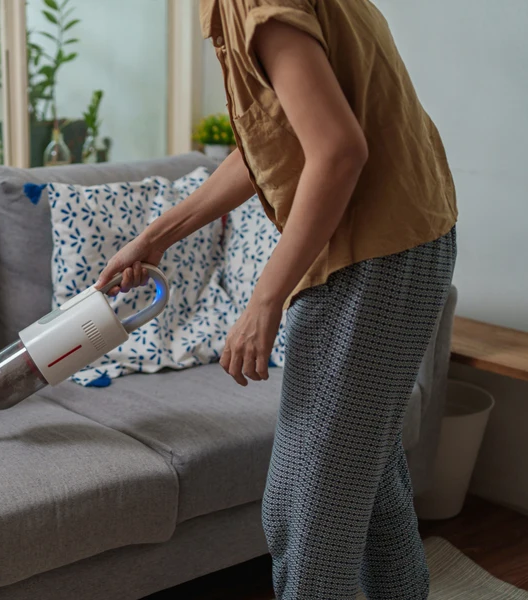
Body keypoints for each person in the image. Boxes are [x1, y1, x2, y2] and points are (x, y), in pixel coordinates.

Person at [95, 1, 457, 598]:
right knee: (366, 491)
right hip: (397, 244)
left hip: (376, 257)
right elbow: (272, 140)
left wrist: (263, 302)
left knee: (306, 514)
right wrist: (153, 239)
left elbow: (339, 151)